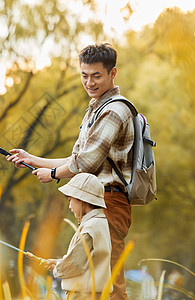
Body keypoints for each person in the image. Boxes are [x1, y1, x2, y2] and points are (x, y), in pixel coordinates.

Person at [8, 43, 134, 299]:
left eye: (96, 75)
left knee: (110, 285)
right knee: (94, 283)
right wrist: (32, 158)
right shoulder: (95, 110)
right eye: (84, 75)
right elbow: (75, 159)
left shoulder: (114, 110)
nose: (89, 82)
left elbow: (85, 163)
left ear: (113, 73)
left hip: (109, 201)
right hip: (94, 202)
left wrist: (53, 175)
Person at [36, 173, 112, 299]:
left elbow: (75, 264)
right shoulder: (100, 222)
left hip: (83, 294)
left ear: (82, 199)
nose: (70, 206)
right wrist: (59, 263)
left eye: (70, 200)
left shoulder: (90, 227)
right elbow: (85, 260)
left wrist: (57, 269)